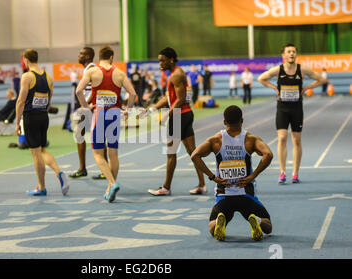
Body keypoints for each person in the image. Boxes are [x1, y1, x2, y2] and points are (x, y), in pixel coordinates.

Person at [191, 105, 273, 241]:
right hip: (246, 195)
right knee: (268, 226)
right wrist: (253, 175)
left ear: (224, 122)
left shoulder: (216, 140)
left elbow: (195, 155)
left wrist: (213, 177)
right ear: (242, 120)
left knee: (212, 226)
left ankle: (218, 223)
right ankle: (257, 221)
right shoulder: (250, 139)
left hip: (224, 196)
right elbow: (268, 154)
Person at [139, 47, 207, 196]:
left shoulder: (176, 75)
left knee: (171, 153)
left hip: (179, 116)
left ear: (171, 60)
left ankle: (166, 187)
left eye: (162, 61)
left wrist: (167, 115)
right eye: (159, 61)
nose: (160, 64)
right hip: (185, 114)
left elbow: (181, 99)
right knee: (193, 152)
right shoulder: (175, 74)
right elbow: (169, 98)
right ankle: (202, 185)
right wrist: (151, 109)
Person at [257, 43, 327, 184]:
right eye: (289, 52)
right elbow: (261, 78)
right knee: (282, 138)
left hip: (296, 109)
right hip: (282, 108)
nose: (291, 54)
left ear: (296, 54)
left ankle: (295, 173)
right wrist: (274, 88)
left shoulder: (302, 69)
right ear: (283, 55)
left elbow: (321, 79)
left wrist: (307, 87)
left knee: (296, 140)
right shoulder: (278, 70)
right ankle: (282, 172)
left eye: (294, 51)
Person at [75, 45, 136, 203]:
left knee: (97, 153)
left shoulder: (92, 71)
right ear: (111, 57)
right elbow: (133, 93)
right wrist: (127, 111)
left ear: (99, 58)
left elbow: (78, 91)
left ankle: (112, 183)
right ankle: (110, 188)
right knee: (113, 153)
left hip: (99, 114)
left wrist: (86, 107)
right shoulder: (119, 73)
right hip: (115, 114)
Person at [15, 49, 69, 196]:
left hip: (30, 117)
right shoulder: (48, 77)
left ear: (26, 60)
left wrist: (17, 121)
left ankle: (42, 187)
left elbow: (21, 100)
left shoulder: (27, 77)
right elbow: (49, 99)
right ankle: (59, 172)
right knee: (43, 150)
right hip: (43, 117)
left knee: (35, 153)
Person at [69, 47, 107, 180]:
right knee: (83, 134)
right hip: (90, 107)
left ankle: (90, 169)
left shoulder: (91, 69)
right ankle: (84, 168)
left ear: (88, 56)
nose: (79, 55)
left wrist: (86, 105)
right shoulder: (88, 69)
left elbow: (95, 89)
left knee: (94, 137)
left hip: (91, 108)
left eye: (82, 54)